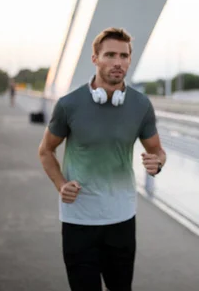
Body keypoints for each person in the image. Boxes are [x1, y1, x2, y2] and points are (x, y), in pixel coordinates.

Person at [38, 27, 166, 291]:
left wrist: (158, 163)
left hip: (121, 219)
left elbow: (157, 150)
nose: (118, 62)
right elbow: (46, 150)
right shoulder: (68, 104)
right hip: (78, 221)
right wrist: (61, 184)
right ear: (95, 58)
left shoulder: (141, 105)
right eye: (109, 55)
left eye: (124, 55)